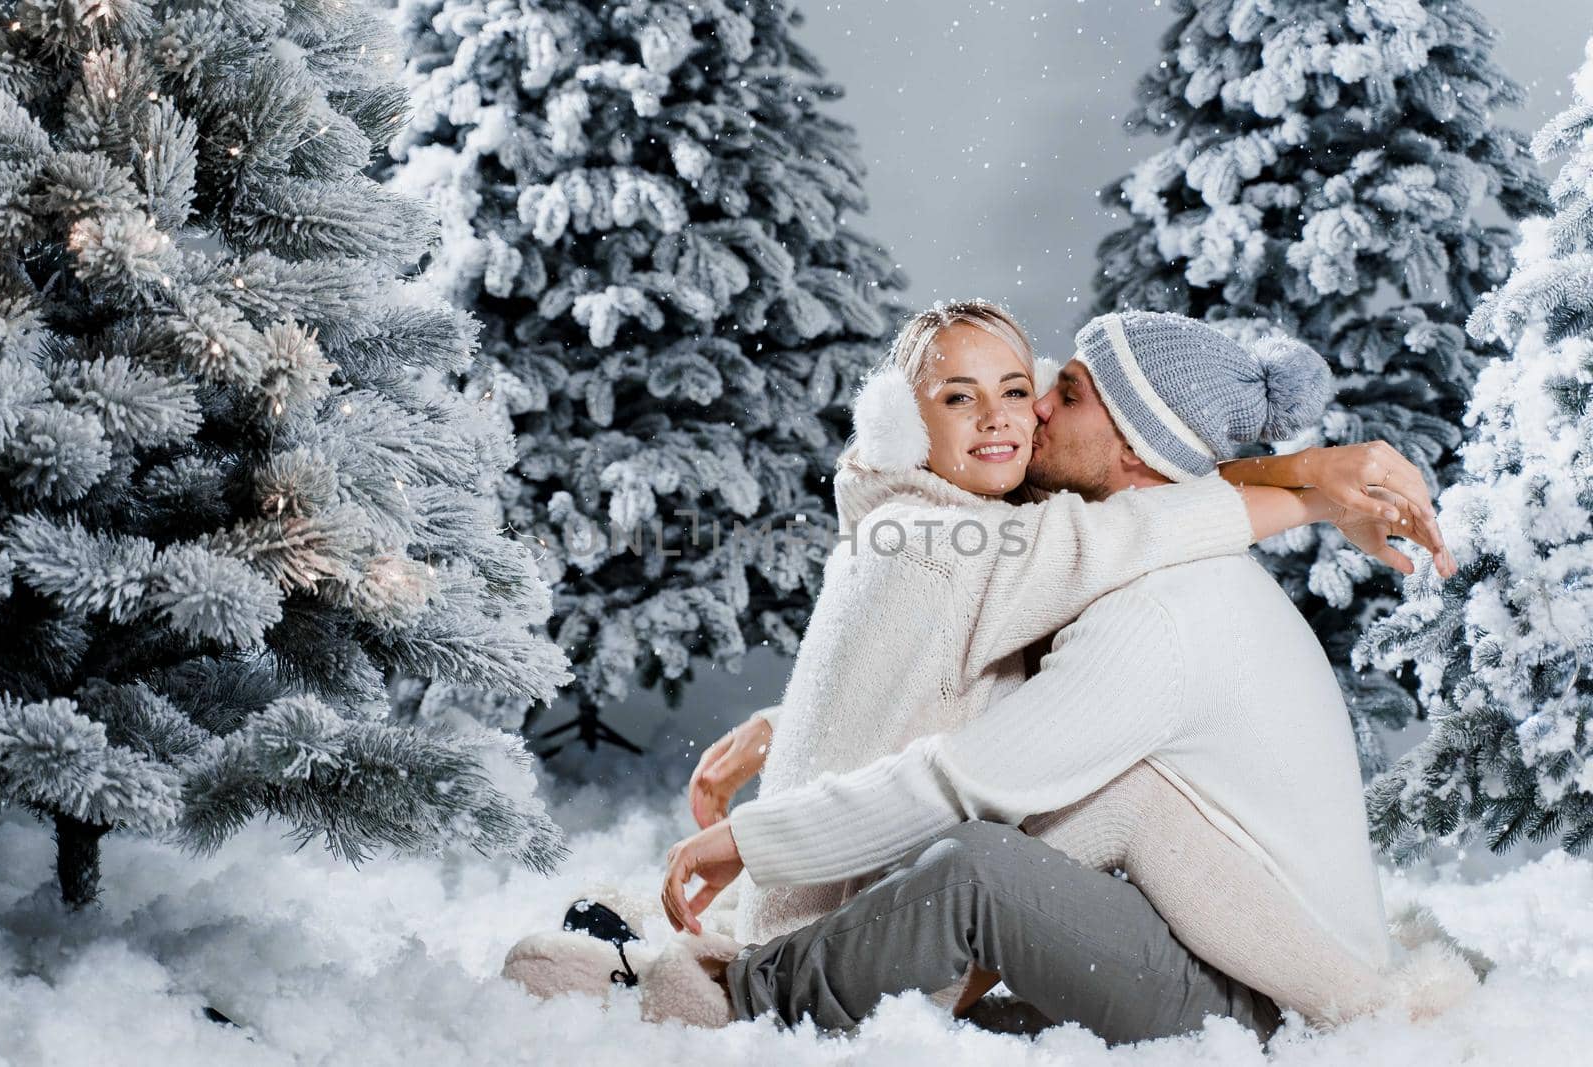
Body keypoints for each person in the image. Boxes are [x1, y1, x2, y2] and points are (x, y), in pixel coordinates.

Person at [503, 303, 1451, 1034]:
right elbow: (995, 677)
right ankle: (757, 938)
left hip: (1258, 1001)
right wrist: (1309, 480)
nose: (1032, 406)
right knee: (998, 834)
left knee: (979, 864)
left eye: (1065, 393)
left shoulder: (1154, 614)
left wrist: (760, 839)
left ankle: (729, 993)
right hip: (1207, 940)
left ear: (1133, 452)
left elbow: (964, 777)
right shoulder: (1129, 555)